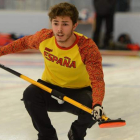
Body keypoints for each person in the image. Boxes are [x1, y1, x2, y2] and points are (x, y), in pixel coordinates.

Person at [0, 2, 105, 140]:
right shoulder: (44, 37)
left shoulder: (87, 48)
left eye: (65, 24)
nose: (59, 29)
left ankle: (76, 133)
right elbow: (23, 43)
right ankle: (47, 136)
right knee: (30, 95)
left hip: (78, 92)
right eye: (56, 23)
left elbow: (97, 80)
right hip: (49, 88)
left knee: (93, 111)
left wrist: (97, 104)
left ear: (74, 25)